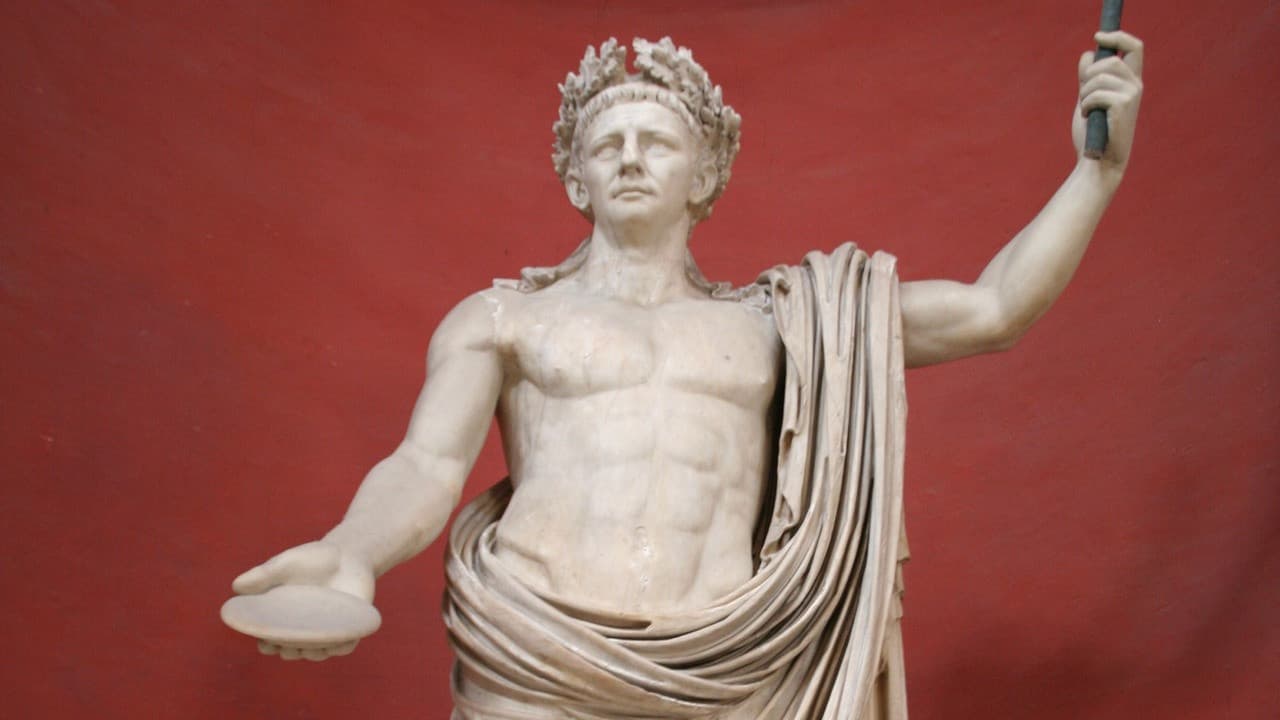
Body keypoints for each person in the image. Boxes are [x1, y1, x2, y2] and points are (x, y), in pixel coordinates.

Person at [230, 34, 1144, 719]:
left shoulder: (785, 324)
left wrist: (1095, 174)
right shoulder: (504, 320)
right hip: (537, 663)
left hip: (731, 671)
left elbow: (993, 310)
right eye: (608, 145)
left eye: (657, 142)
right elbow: (426, 467)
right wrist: (352, 550)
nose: (630, 157)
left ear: (704, 174)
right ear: (576, 180)